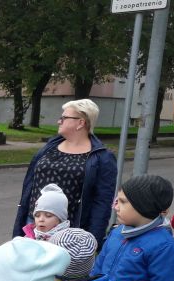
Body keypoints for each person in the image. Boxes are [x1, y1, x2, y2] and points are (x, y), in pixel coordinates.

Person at [12, 99, 117, 245]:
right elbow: (30, 185)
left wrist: (93, 240)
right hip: (34, 224)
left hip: (69, 232)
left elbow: (102, 202)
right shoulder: (50, 146)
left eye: (64, 118)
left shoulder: (102, 157)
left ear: (81, 123)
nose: (58, 121)